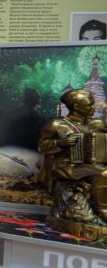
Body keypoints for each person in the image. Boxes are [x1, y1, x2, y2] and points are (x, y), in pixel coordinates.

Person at [38, 89, 107, 223]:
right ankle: (102, 210)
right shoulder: (57, 124)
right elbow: (42, 145)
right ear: (76, 106)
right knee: (103, 174)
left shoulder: (94, 124)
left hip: (90, 164)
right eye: (90, 105)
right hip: (66, 166)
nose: (94, 108)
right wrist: (60, 142)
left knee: (101, 170)